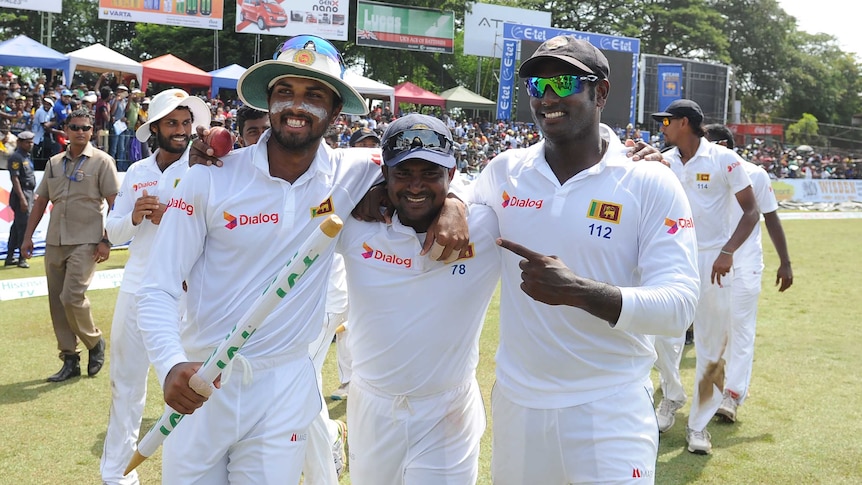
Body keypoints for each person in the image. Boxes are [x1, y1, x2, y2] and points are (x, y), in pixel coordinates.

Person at [135, 35, 467, 484]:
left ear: (334, 111)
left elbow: (423, 171)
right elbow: (157, 285)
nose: (298, 105)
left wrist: (455, 205)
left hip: (284, 385)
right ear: (269, 102)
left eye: (315, 95)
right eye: (286, 92)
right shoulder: (211, 176)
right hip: (203, 376)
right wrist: (171, 362)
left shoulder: (353, 170)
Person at [468, 35, 700, 483]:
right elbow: (446, 202)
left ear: (602, 93)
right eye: (537, 86)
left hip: (610, 405)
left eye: (565, 82)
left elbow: (680, 307)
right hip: (519, 406)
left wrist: (579, 292)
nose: (548, 97)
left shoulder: (649, 181)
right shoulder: (504, 171)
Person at [337, 114, 502, 484]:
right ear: (385, 174)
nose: (416, 186)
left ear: (453, 173)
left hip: (448, 410)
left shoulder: (485, 227)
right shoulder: (357, 224)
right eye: (403, 174)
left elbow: (516, 189)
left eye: (430, 173)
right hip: (372, 406)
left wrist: (458, 204)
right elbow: (318, 168)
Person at [100, 89, 211, 485]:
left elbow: (211, 231)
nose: (181, 131)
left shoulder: (202, 170)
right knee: (125, 387)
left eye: (185, 123)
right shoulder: (138, 173)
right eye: (172, 124)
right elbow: (112, 233)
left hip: (182, 293)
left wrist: (174, 218)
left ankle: (186, 473)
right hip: (135, 287)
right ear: (155, 130)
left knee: (188, 388)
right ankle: (116, 476)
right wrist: (135, 215)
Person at [650, 99, 759, 454]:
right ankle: (671, 396)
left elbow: (751, 212)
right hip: (670, 256)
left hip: (713, 259)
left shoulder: (725, 160)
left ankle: (698, 425)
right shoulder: (664, 160)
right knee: (662, 337)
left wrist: (727, 252)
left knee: (712, 345)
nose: (661, 125)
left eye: (666, 120)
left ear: (684, 122)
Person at [20, 108, 120, 382]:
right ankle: (69, 358)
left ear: (92, 131)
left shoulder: (103, 161)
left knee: (71, 297)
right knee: (56, 302)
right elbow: (40, 201)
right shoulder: (53, 162)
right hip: (54, 240)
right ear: (65, 130)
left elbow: (116, 204)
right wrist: (27, 237)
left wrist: (106, 240)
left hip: (87, 240)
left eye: (85, 127)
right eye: (74, 127)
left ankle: (94, 341)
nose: (80, 132)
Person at [704, 123, 793, 423]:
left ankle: (732, 394)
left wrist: (786, 262)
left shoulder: (755, 174)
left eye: (708, 144)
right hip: (710, 263)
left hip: (745, 264)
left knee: (741, 327)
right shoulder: (700, 172)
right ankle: (705, 390)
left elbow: (770, 218)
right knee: (714, 330)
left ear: (724, 145)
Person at [4, 130, 36, 268]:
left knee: (17, 227)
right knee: (23, 227)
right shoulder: (16, 157)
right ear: (20, 143)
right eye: (27, 142)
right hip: (21, 194)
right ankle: (22, 258)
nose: (30, 144)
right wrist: (23, 199)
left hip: (28, 193)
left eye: (31, 141)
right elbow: (15, 179)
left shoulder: (26, 156)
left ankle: (10, 256)